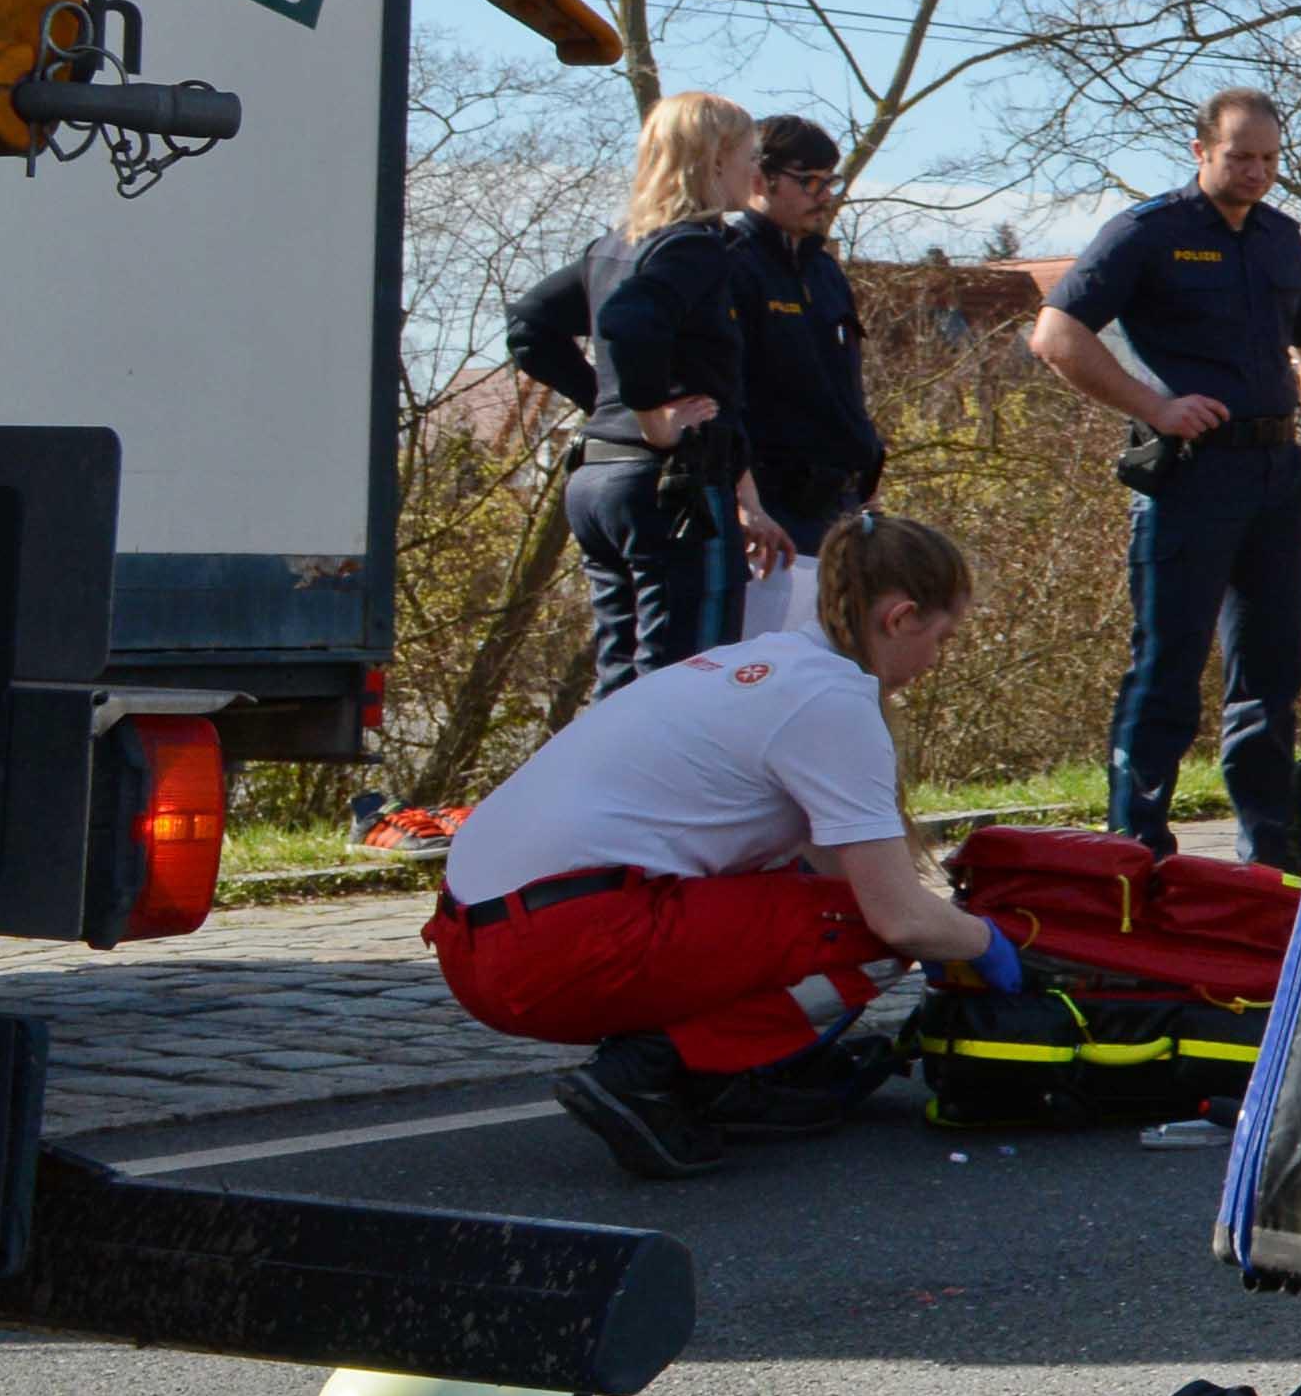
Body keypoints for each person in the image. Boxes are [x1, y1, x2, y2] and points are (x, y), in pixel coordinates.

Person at [426, 514, 1014, 1181]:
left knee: (814, 906)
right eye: (943, 638)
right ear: (902, 617)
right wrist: (984, 944)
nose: (937, 660)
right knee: (876, 942)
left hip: (472, 940)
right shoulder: (833, 701)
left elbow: (832, 870)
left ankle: (730, 1075)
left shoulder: (756, 664)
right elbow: (896, 917)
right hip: (553, 949)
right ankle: (652, 1068)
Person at [1027, 89, 1301, 869]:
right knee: (1168, 665)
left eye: (1271, 159)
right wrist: (1154, 405)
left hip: (1278, 478)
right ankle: (1135, 847)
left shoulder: (1280, 237)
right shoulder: (1149, 232)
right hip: (1191, 480)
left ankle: (1269, 855)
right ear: (1201, 151)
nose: (1258, 172)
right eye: (1241, 156)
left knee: (1271, 675)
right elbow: (1056, 333)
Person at [503, 91, 778, 696]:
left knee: (623, 680)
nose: (755, 176)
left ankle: (606, 789)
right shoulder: (693, 245)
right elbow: (631, 324)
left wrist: (610, 408)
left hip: (601, 483)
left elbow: (529, 326)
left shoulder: (616, 244)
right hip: (669, 491)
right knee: (687, 684)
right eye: (748, 158)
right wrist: (651, 418)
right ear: (712, 164)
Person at [729, 114, 883, 643]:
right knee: (759, 667)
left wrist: (863, 477)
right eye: (808, 180)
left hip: (836, 508)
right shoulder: (730, 262)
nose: (824, 195)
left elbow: (842, 386)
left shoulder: (825, 269)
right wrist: (743, 500)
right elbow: (722, 392)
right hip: (770, 509)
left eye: (830, 181)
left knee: (827, 663)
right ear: (759, 178)